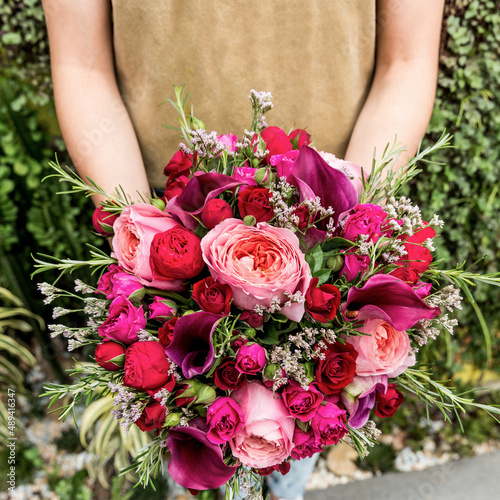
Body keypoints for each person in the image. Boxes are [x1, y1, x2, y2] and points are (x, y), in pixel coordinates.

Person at [42, 1, 445, 499]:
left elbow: (405, 61)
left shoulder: (333, 255)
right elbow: (83, 64)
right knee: (190, 449)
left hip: (328, 241)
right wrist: (143, 243)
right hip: (167, 247)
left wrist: (345, 240)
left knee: (281, 449)